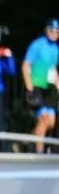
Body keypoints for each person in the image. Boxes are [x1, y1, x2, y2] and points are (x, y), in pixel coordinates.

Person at [22, 18, 59, 153]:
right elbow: (26, 65)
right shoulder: (37, 45)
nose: (53, 33)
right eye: (51, 30)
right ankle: (39, 153)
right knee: (43, 120)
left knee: (51, 123)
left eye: (56, 31)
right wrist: (29, 88)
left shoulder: (56, 49)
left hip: (48, 89)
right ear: (46, 30)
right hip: (36, 87)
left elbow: (53, 69)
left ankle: (29, 140)